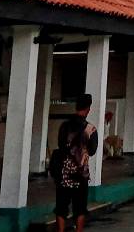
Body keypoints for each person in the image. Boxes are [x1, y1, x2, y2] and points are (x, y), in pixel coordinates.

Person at [54, 93, 99, 232]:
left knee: (61, 207)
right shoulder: (90, 129)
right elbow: (92, 151)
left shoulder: (64, 126)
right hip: (81, 174)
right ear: (88, 109)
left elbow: (61, 145)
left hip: (64, 174)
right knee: (80, 208)